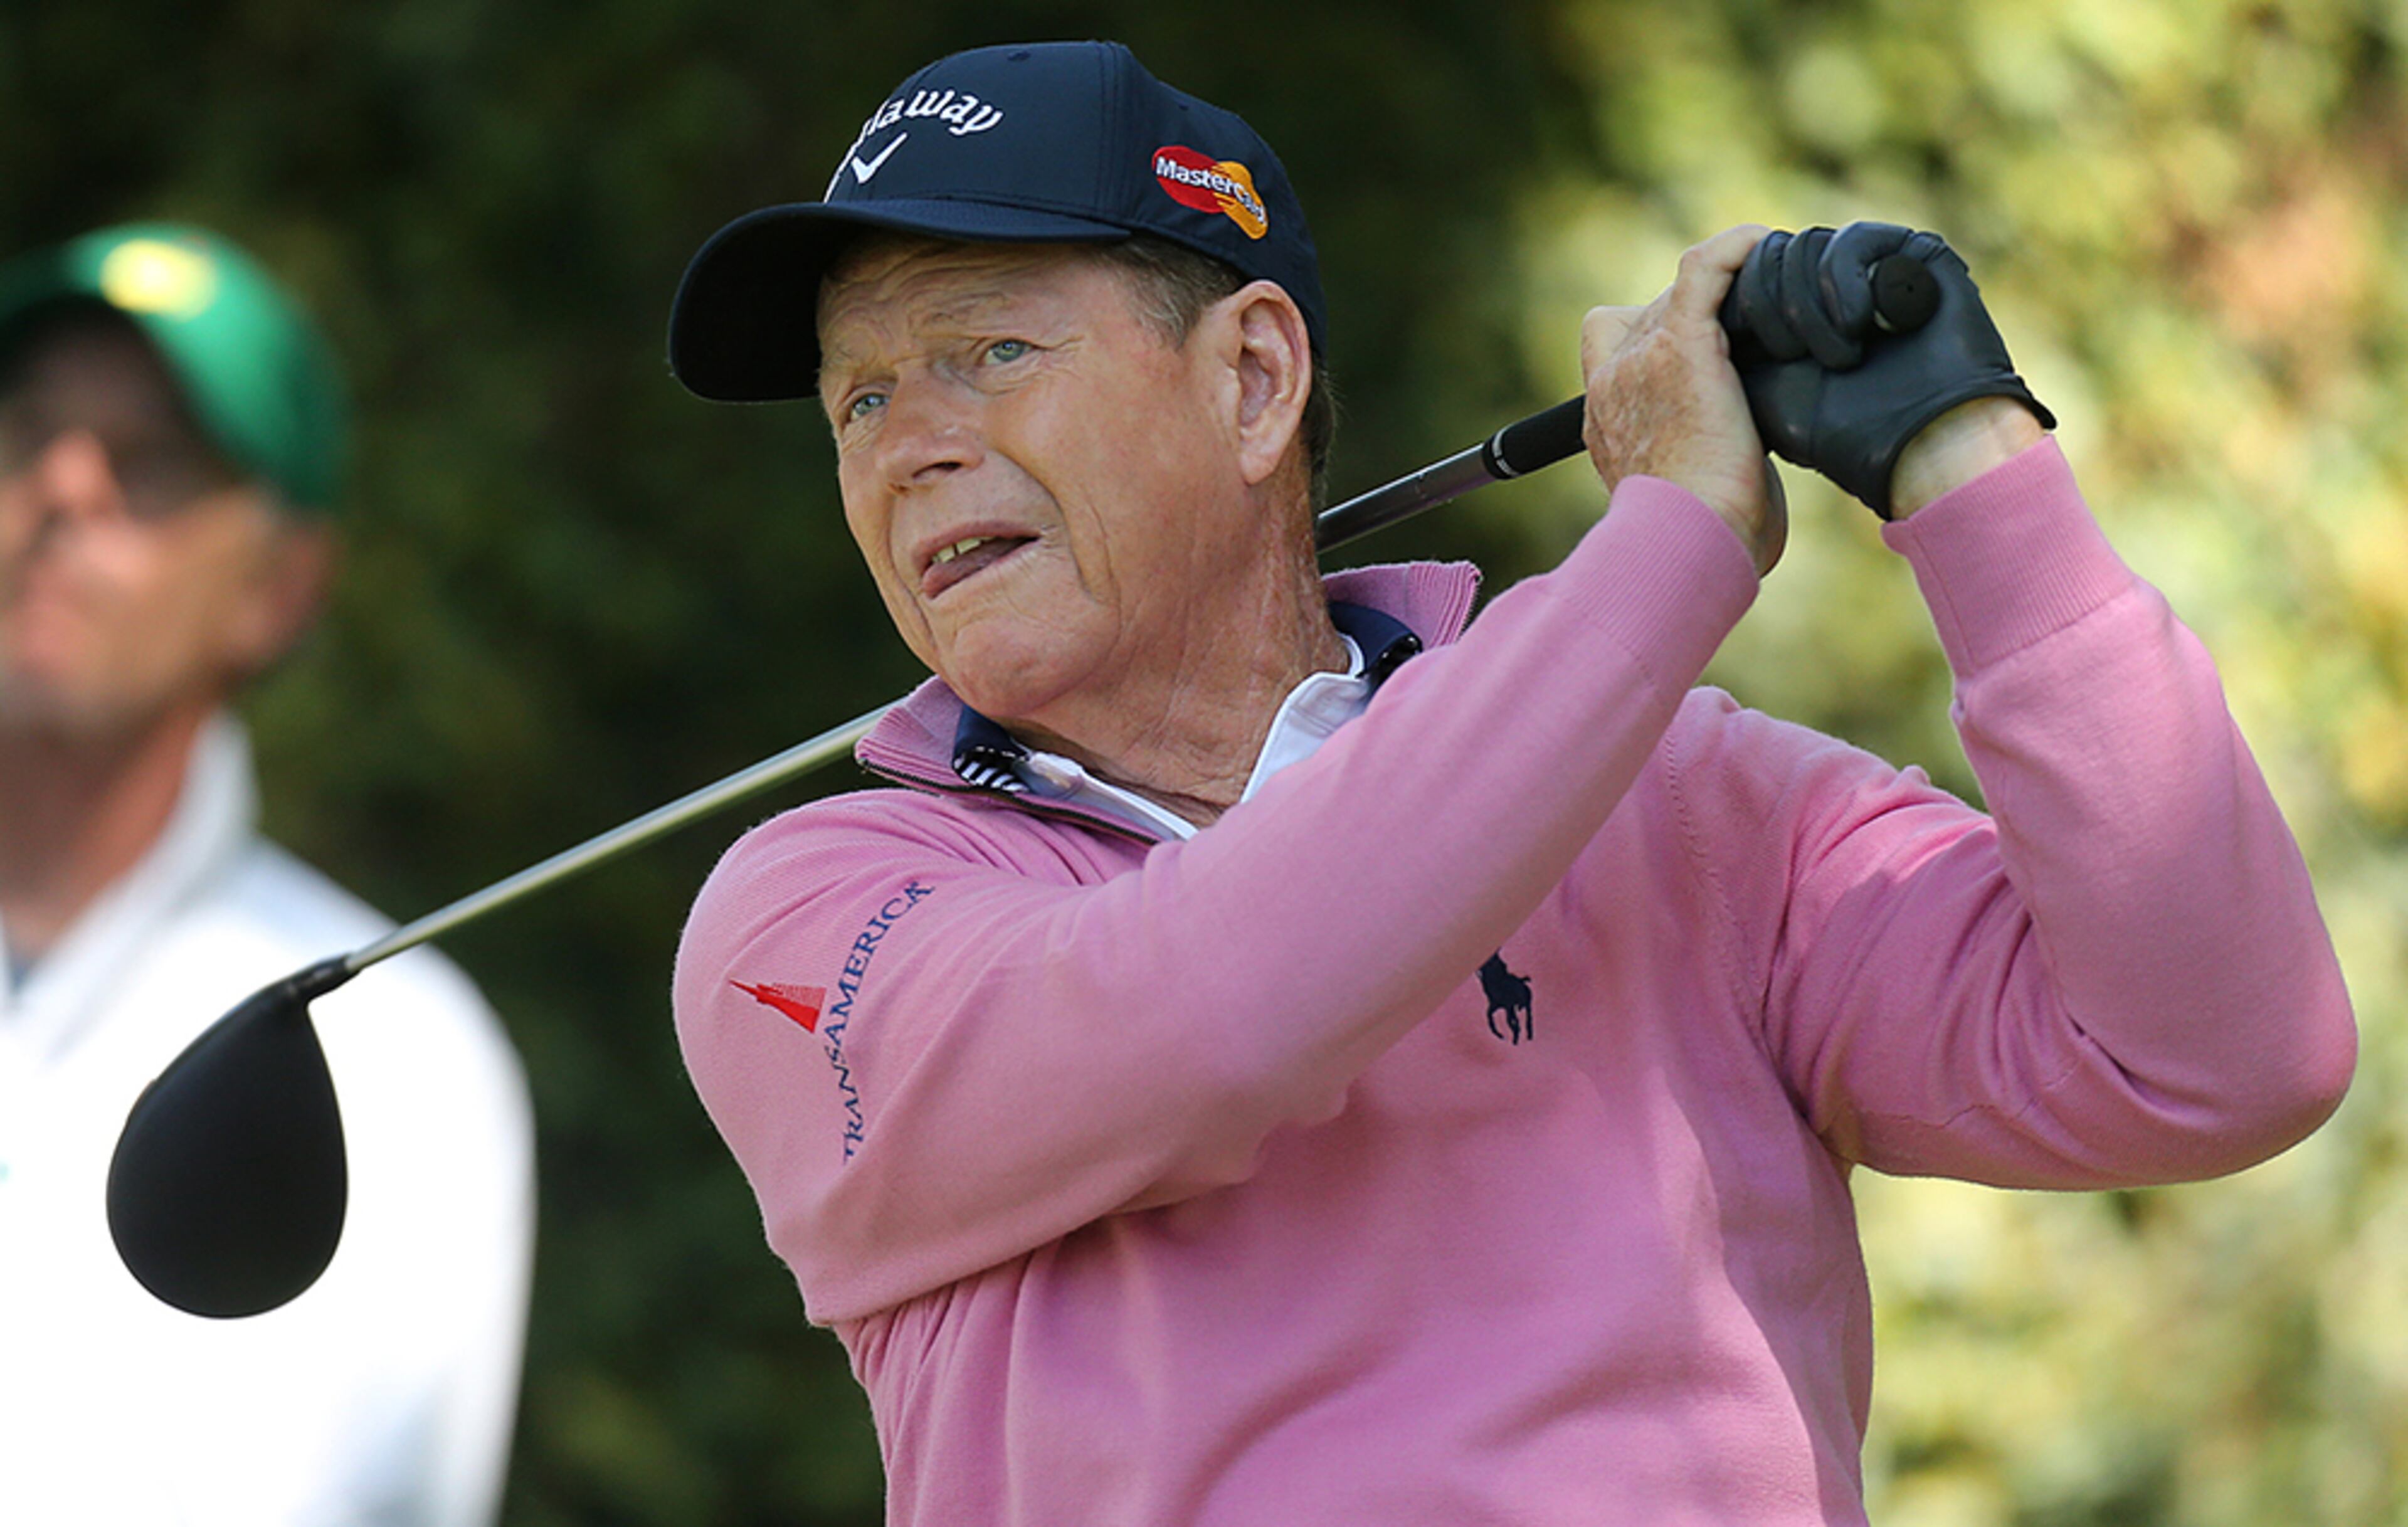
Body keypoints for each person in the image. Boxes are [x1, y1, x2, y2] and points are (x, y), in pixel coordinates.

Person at [666, 41, 2355, 1525]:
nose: (907, 447)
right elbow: (1211, 1013)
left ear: (1252, 379)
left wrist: (1964, 457)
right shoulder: (805, 918)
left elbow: (2217, 1058)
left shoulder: (1681, 799)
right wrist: (1672, 542)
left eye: (987, 353)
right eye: (859, 399)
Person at [0, 224, 534, 1526]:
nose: (63, 487)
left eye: (151, 464)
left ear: (279, 588)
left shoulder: (405, 1056)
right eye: (25, 433)